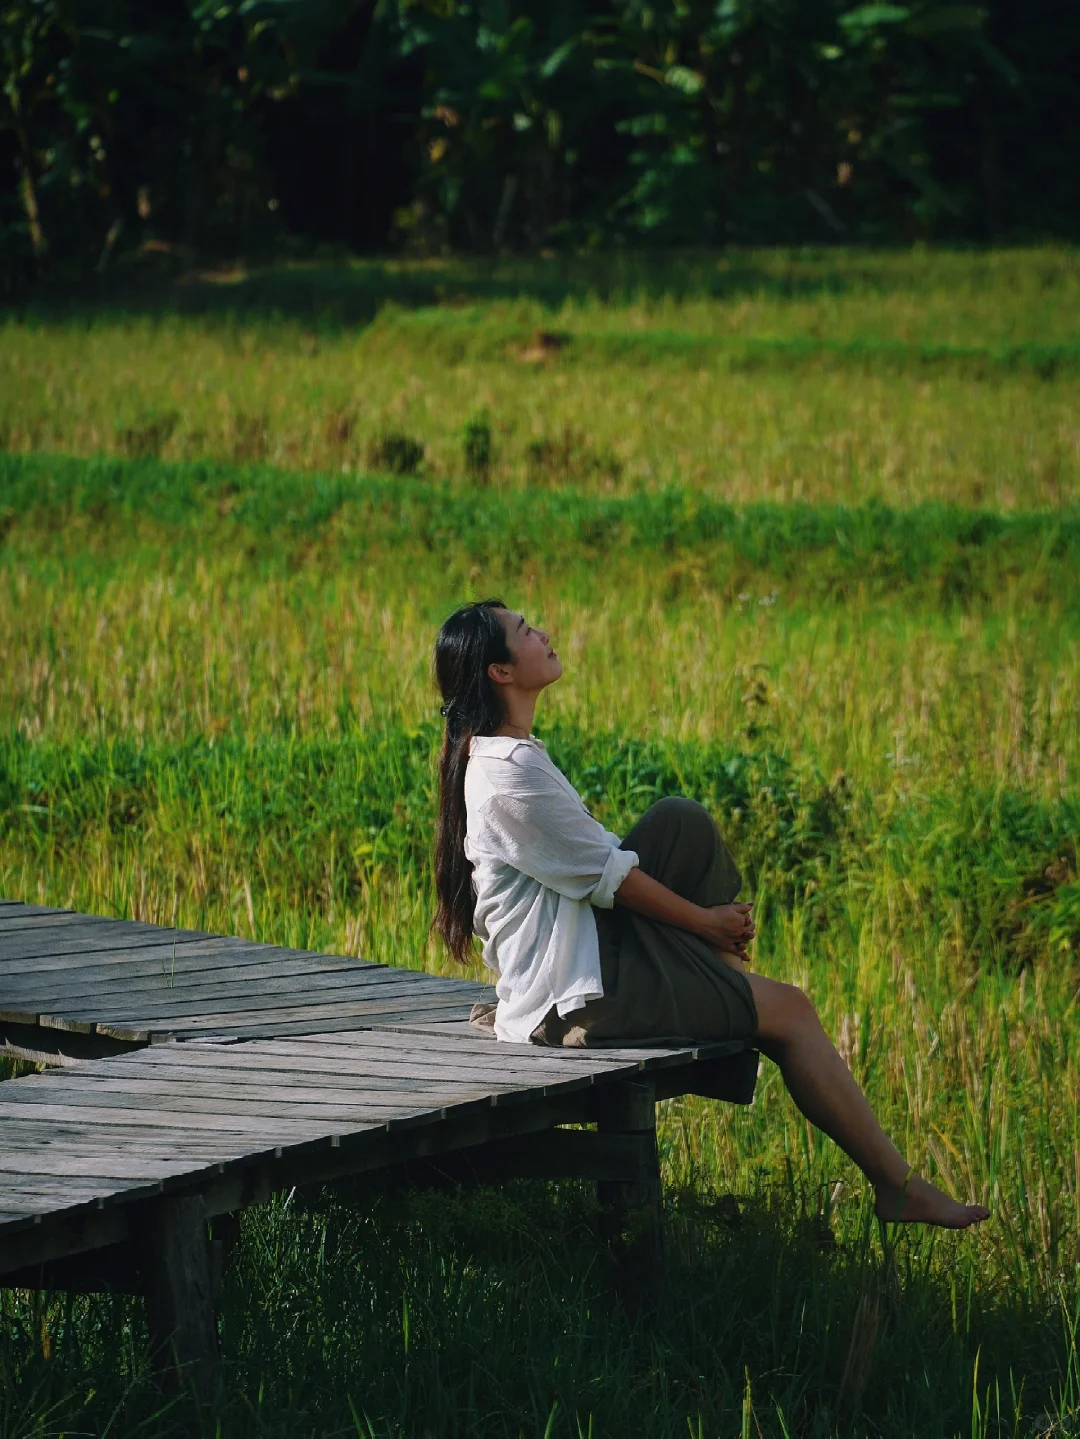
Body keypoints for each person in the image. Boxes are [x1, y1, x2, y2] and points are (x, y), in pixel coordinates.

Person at [432, 598, 989, 1230]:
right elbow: (614, 881)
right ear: (500, 672)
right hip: (572, 998)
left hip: (588, 952)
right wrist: (707, 923)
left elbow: (606, 870)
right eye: (527, 632)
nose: (545, 634)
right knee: (794, 1010)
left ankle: (733, 990)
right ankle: (896, 1186)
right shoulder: (509, 776)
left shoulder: (509, 755)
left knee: (679, 822)